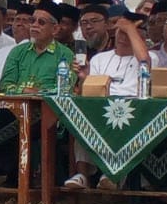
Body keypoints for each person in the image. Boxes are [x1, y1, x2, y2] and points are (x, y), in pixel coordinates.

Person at [64, 15, 153, 190]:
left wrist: (129, 28)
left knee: (123, 119)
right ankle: (82, 175)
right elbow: (88, 91)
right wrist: (83, 78)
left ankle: (114, 175)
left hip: (132, 111)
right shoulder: (99, 59)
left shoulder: (150, 58)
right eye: (121, 31)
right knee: (82, 118)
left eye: (130, 33)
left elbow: (144, 62)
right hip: (100, 108)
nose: (124, 36)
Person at [0, 2, 71, 93]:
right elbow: (5, 85)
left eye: (41, 22)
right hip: (17, 105)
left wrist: (38, 93)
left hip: (48, 106)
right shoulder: (17, 51)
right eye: (32, 21)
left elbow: (65, 89)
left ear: (55, 29)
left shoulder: (65, 54)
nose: (34, 25)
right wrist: (25, 91)